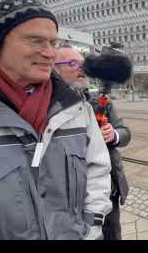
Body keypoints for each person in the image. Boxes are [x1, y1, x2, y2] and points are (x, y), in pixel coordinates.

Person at [0, 0, 112, 240]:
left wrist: (92, 228)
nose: (49, 53)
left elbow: (97, 169)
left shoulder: (76, 108)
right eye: (35, 40)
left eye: (52, 42)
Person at [54, 45, 131, 240]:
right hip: (71, 198)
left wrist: (113, 135)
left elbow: (125, 133)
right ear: (54, 69)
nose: (81, 68)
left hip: (108, 189)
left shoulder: (100, 102)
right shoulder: (51, 109)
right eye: (72, 63)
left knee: (113, 234)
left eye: (82, 62)